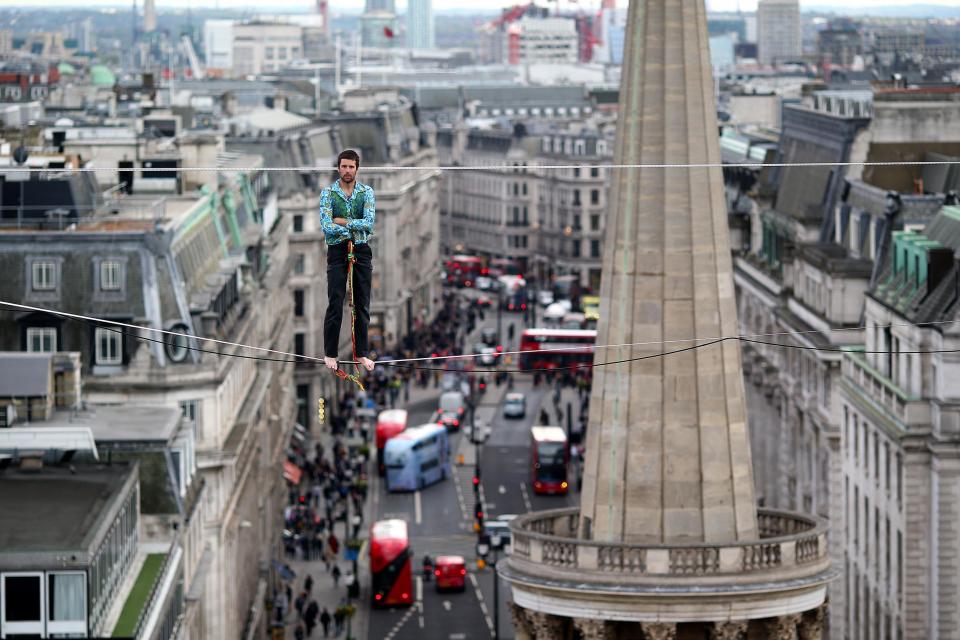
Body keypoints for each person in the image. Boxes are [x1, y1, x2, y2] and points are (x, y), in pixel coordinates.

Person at [320, 149, 376, 374]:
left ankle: (361, 352)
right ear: (338, 168)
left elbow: (369, 223)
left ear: (357, 169)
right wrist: (353, 226)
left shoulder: (367, 192)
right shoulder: (328, 194)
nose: (347, 170)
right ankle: (330, 352)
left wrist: (342, 222)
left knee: (361, 303)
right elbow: (326, 225)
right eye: (343, 166)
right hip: (336, 251)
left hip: (361, 250)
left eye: (351, 167)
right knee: (335, 301)